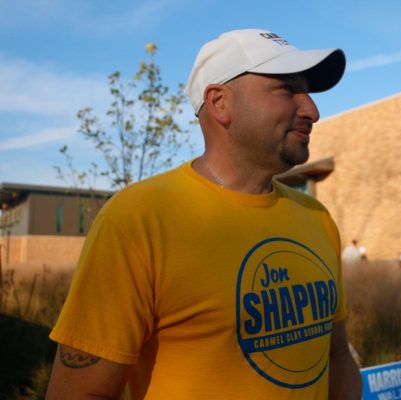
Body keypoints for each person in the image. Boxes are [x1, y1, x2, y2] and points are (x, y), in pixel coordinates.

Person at [46, 29, 361, 399]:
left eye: (307, 92)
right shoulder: (138, 219)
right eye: (286, 89)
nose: (312, 110)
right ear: (219, 103)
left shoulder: (316, 217)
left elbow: (337, 355)